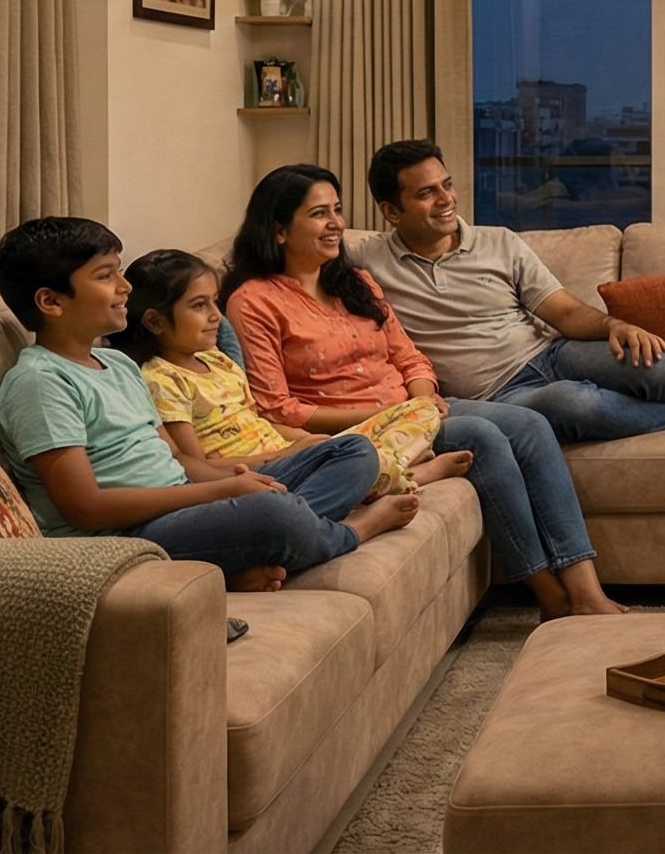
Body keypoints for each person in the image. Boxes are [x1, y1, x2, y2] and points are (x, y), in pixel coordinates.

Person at [221, 164, 628, 619]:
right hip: (357, 432)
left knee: (531, 425)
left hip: (413, 410)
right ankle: (549, 594)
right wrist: (393, 412)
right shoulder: (253, 302)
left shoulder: (355, 282)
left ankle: (584, 588)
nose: (336, 223)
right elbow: (277, 408)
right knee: (483, 436)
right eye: (319, 214)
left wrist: (419, 396)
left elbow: (409, 356)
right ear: (279, 230)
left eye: (337, 210)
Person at [0, 217, 414, 593]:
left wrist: (247, 475)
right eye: (105, 276)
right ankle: (352, 530)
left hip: (183, 502)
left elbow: (178, 461)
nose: (125, 287)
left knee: (352, 451)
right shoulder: (40, 382)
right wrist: (223, 492)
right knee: (272, 513)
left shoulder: (118, 364)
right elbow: (85, 508)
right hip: (126, 535)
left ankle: (244, 551)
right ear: (51, 302)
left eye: (119, 271)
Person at [349, 139, 665, 444]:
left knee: (656, 362)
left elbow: (563, 312)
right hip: (497, 394)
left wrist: (615, 326)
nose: (446, 199)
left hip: (551, 353)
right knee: (577, 403)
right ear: (391, 211)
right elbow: (315, 245)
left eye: (446, 185)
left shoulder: (499, 241)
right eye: (426, 193)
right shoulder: (368, 259)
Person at [112, 247, 470, 498]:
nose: (215, 316)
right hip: (258, 469)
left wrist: (305, 441)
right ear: (155, 322)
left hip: (287, 450)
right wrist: (284, 456)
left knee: (418, 411)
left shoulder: (219, 361)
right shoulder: (161, 379)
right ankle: (409, 473)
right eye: (198, 305)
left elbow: (259, 419)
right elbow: (196, 464)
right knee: (353, 460)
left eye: (214, 302)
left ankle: (384, 467)